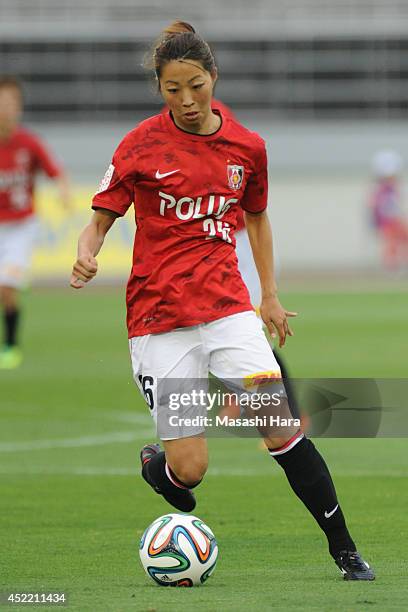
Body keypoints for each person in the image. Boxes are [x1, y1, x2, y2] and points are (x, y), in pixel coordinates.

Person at [70, 21, 374, 580]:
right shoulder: (140, 145)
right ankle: (161, 471)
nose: (186, 100)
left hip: (228, 313)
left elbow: (256, 218)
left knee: (281, 428)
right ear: (159, 89)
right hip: (160, 324)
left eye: (195, 86)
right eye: (171, 90)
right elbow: (98, 222)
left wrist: (271, 296)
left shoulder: (247, 148)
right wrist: (87, 253)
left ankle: (345, 550)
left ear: (213, 77)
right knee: (190, 470)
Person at [0, 76, 70, 369]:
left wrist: (64, 191)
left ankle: (10, 345)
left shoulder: (28, 143)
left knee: (6, 288)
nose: (5, 109)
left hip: (21, 227)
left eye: (11, 103)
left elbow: (55, 172)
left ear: (19, 107)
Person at [369, 150, 408, 273]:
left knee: (401, 240)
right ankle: (391, 268)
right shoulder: (382, 189)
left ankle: (398, 265)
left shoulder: (392, 187)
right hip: (388, 221)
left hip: (394, 219)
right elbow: (377, 206)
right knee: (391, 243)